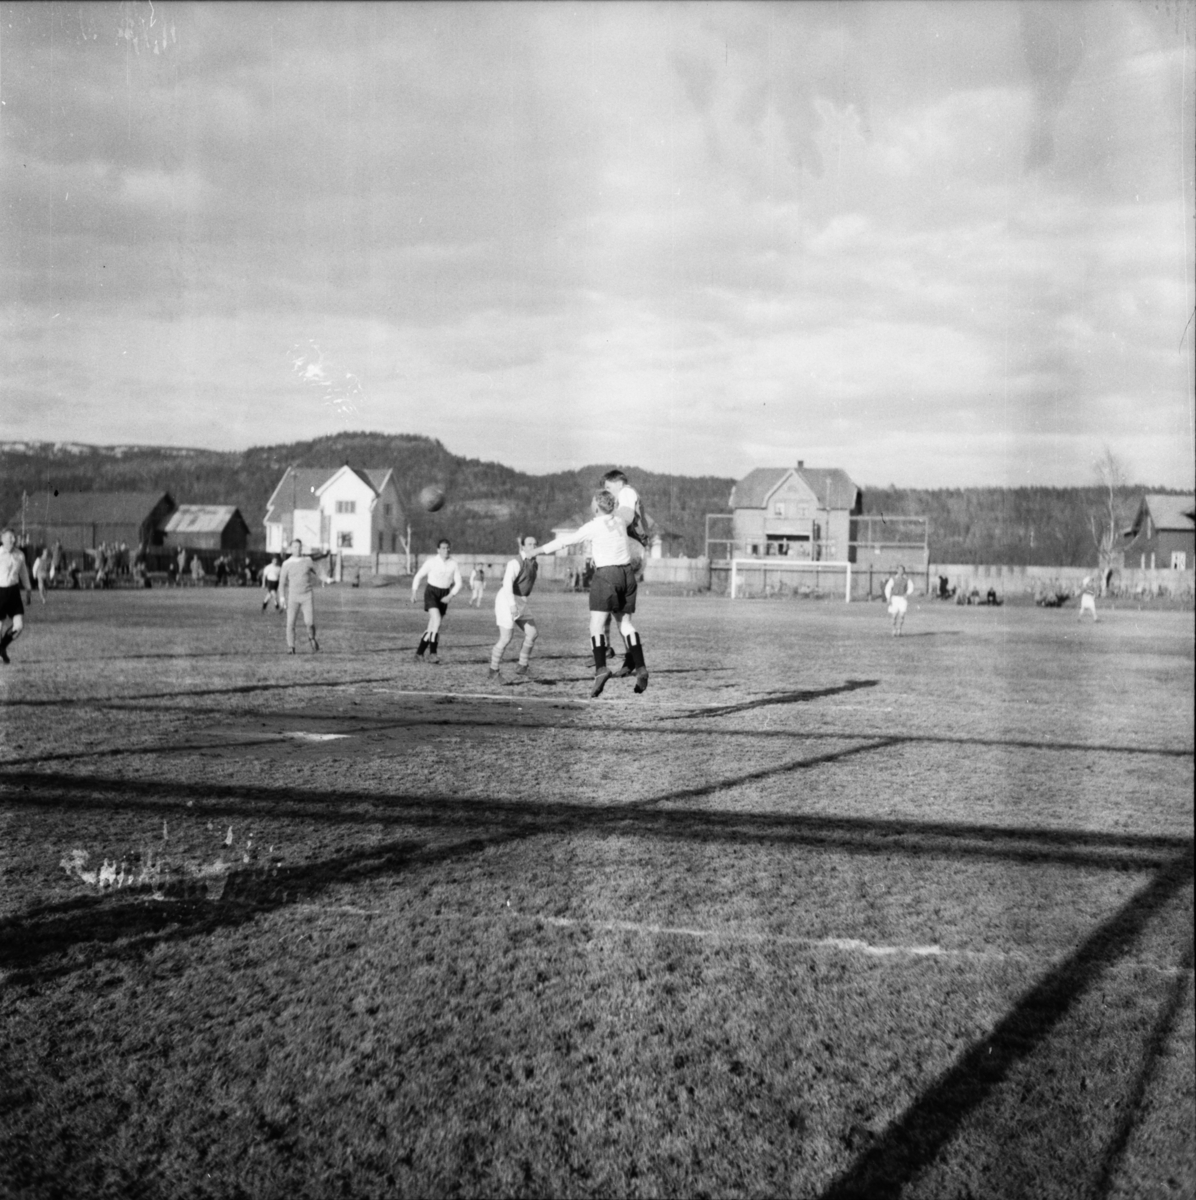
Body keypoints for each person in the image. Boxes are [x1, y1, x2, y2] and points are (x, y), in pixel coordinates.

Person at [532, 490, 648, 696]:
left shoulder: (593, 526)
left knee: (596, 625)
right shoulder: (621, 520)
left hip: (607, 576)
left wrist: (536, 551)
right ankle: (640, 667)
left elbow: (563, 542)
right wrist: (626, 491)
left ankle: (601, 669)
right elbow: (629, 506)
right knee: (626, 625)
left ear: (596, 507)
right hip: (627, 575)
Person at [489, 536, 540, 681]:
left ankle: (522, 666)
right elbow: (507, 584)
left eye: (535, 544)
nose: (533, 546)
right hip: (507, 599)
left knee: (532, 633)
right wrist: (512, 605)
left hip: (519, 600)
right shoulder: (516, 562)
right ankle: (493, 670)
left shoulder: (534, 564)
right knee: (506, 638)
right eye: (529, 544)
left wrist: (520, 602)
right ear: (523, 547)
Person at [411, 538, 463, 663]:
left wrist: (450, 596)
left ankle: (419, 653)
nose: (446, 550)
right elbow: (418, 576)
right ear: (438, 550)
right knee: (437, 620)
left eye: (448, 548)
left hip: (444, 594)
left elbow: (459, 583)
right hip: (431, 593)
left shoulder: (453, 563)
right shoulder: (432, 562)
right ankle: (433, 654)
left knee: (433, 626)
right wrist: (414, 592)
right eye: (443, 548)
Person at [278, 539, 327, 653]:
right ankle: (291, 647)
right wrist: (281, 598)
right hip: (293, 598)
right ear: (291, 549)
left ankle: (311, 638)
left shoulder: (307, 560)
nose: (298, 549)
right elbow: (281, 583)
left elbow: (319, 571)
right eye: (295, 547)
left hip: (307, 596)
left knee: (309, 622)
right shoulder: (286, 564)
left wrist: (327, 578)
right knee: (290, 623)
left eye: (299, 547)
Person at [0, 527, 34, 665]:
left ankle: (2, 647)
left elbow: (24, 573)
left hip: (14, 592)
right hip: (0, 592)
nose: (13, 540)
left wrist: (28, 589)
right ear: (2, 539)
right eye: (10, 537)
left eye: (14, 537)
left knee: (19, 626)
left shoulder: (20, 554)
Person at [884, 565, 913, 636]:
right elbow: (888, 588)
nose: (901, 571)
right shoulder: (893, 579)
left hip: (902, 599)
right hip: (894, 599)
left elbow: (911, 587)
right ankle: (894, 630)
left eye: (902, 570)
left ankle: (899, 630)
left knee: (902, 615)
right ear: (897, 570)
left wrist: (907, 593)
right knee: (894, 615)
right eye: (899, 570)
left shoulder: (907, 579)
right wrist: (888, 597)